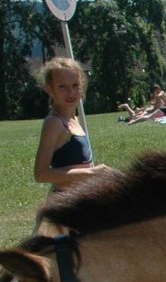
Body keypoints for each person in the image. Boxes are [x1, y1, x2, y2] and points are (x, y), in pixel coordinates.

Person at [33, 57, 111, 192]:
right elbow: (41, 174)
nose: (71, 93)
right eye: (62, 87)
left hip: (81, 200)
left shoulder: (74, 119)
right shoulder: (54, 123)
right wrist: (91, 173)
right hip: (65, 205)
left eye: (75, 85)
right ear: (49, 89)